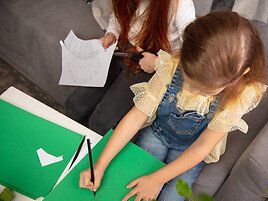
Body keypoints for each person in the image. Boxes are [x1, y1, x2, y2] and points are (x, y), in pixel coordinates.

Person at [79, 10, 268, 201]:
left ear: (241, 74)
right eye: (188, 80)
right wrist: (100, 164)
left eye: (205, 90)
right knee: (128, 187)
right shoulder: (170, 66)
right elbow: (136, 116)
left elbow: (203, 146)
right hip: (157, 134)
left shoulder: (241, 96)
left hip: (191, 149)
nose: (193, 92)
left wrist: (156, 179)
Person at [66, 0, 196, 135]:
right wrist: (111, 34)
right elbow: (117, 18)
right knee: (74, 104)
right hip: (123, 48)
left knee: (101, 122)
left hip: (153, 61)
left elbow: (194, 51)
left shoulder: (181, 4)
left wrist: (158, 63)